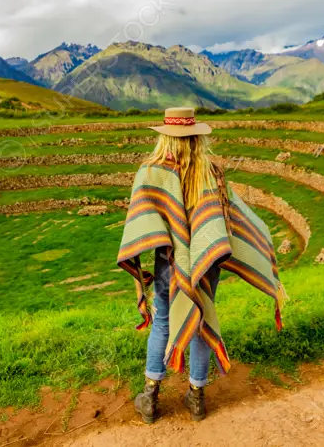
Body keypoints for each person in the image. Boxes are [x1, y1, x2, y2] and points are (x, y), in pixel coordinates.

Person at [116, 106, 286, 424]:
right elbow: (229, 218)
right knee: (201, 320)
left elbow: (142, 222)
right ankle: (196, 398)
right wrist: (260, 238)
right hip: (207, 263)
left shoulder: (150, 171)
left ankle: (150, 398)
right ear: (197, 137)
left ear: (165, 136)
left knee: (164, 322)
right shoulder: (213, 171)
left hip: (169, 264)